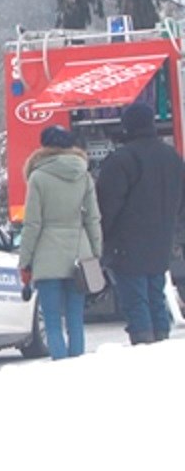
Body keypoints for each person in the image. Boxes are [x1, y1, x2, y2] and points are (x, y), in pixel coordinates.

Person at [96, 102, 185, 344]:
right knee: (156, 299)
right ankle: (161, 345)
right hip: (161, 244)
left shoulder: (121, 160)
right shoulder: (173, 159)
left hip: (127, 246)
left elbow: (107, 206)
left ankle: (144, 349)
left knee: (136, 304)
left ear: (128, 126)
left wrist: (101, 238)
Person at [17, 125, 103, 359]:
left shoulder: (37, 177)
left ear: (44, 146)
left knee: (53, 322)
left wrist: (25, 261)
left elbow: (32, 224)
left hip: (47, 259)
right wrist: (96, 252)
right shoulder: (83, 175)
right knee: (76, 320)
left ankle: (60, 370)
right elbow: (93, 218)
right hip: (80, 254)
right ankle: (77, 367)